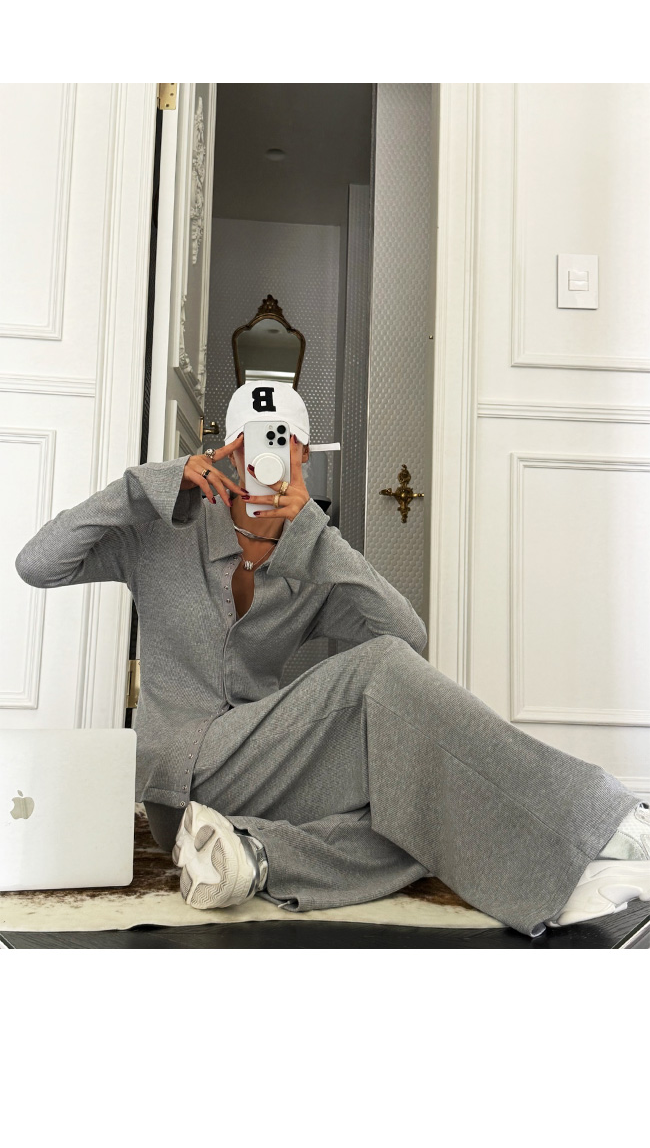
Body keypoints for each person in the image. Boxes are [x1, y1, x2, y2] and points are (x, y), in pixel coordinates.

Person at [14, 381, 650, 938]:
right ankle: (597, 820)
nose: (266, 458)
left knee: (418, 795)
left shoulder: (310, 560)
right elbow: (36, 564)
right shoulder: (161, 533)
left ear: (305, 456)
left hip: (256, 780)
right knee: (380, 680)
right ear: (227, 453)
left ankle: (254, 856)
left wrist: (317, 538)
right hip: (168, 783)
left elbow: (407, 635)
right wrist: (142, 487)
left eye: (282, 441)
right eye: (251, 443)